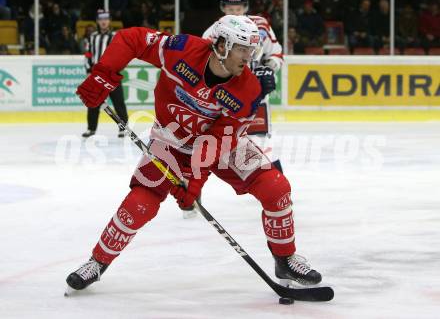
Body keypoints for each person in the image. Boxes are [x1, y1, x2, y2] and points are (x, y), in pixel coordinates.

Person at [65, 15, 323, 294]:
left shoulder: (248, 89)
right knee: (140, 203)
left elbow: (219, 139)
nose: (249, 58)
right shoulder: (182, 50)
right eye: (243, 50)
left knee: (276, 188)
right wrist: (103, 74)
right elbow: (131, 39)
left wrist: (195, 180)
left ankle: (285, 258)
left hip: (221, 145)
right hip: (172, 139)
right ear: (222, 45)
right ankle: (97, 263)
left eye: (252, 51)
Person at [197, 0, 284, 219]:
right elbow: (202, 64)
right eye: (229, 8)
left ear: (245, 7)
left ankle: (279, 196)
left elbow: (275, 53)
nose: (234, 12)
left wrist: (269, 67)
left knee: (263, 145)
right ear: (222, 8)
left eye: (238, 8)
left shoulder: (261, 26)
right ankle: (192, 193)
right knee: (210, 146)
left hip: (254, 98)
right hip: (224, 101)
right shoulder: (213, 32)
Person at [82, 9, 128, 138]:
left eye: (106, 19)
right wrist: (88, 71)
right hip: (97, 75)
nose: (103, 22)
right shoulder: (92, 37)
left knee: (118, 102)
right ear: (97, 21)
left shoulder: (115, 37)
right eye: (101, 19)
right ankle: (91, 129)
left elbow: (121, 55)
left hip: (112, 74)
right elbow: (88, 55)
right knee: (93, 103)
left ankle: (123, 128)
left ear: (109, 21)